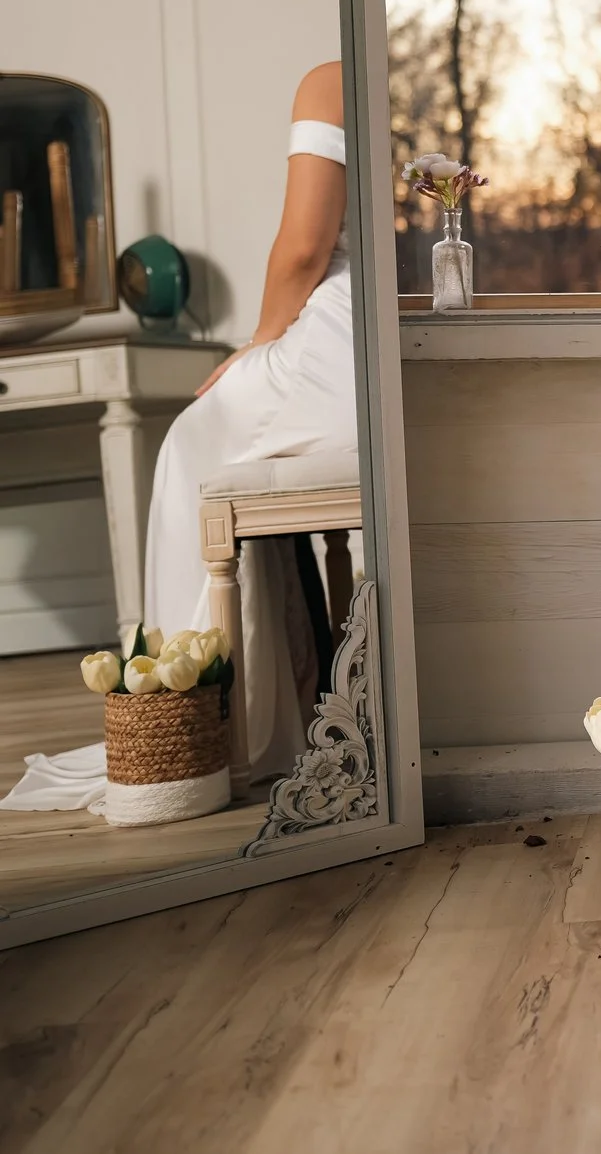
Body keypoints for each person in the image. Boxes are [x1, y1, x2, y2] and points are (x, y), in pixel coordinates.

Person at [143, 61, 356, 781]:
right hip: (405, 331)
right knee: (220, 446)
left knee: (191, 442)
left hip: (340, 346)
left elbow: (303, 248)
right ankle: (277, 702)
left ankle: (204, 725)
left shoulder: (334, 77)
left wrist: (258, 344)